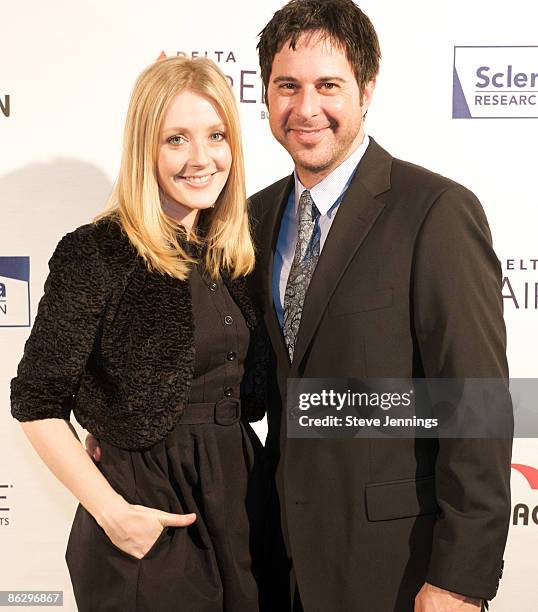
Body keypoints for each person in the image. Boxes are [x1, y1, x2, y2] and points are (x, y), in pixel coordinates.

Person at [248, 1, 513, 611]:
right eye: (287, 86)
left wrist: (460, 581)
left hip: (398, 571)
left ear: (366, 90)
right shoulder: (255, 217)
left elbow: (475, 408)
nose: (306, 108)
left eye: (328, 86)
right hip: (276, 566)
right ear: (265, 94)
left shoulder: (435, 212)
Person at [11, 56, 270, 612]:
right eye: (176, 138)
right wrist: (113, 515)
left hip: (243, 502)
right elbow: (35, 401)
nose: (202, 159)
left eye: (216, 135)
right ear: (144, 149)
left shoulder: (236, 252)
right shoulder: (97, 252)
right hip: (150, 511)